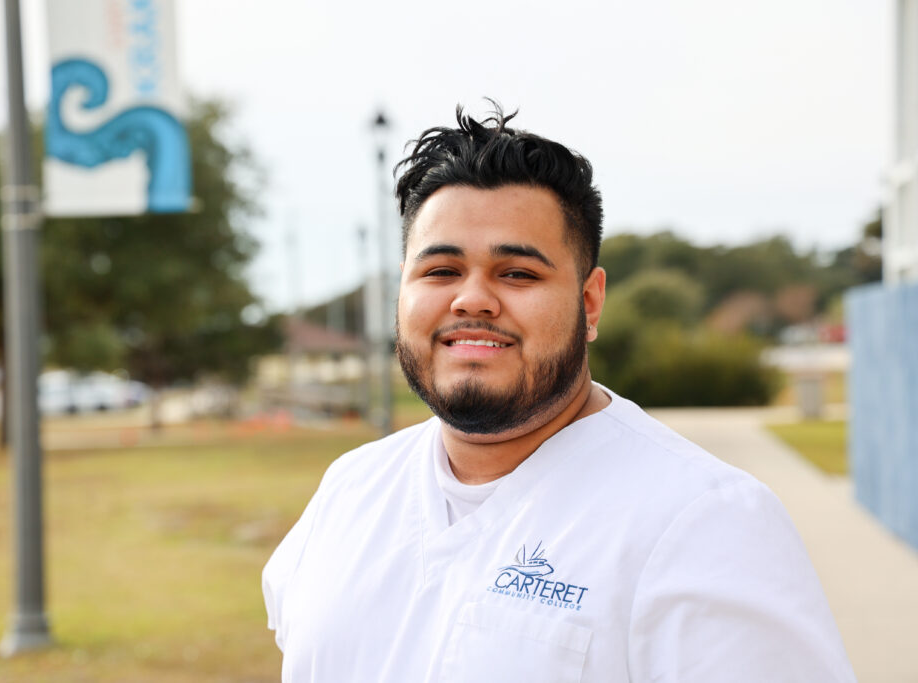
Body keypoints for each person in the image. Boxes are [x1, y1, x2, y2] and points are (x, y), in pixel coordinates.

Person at [262, 103, 856, 682]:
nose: (471, 299)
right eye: (440, 270)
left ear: (589, 302)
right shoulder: (350, 490)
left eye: (517, 273)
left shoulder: (704, 521)